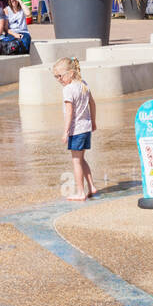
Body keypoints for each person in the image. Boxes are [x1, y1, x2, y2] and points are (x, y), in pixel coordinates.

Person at [53, 57, 97, 201]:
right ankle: (91, 187)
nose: (58, 79)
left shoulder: (68, 89)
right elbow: (93, 104)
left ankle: (80, 192)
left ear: (70, 73)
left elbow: (70, 112)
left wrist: (65, 131)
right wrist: (93, 122)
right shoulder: (83, 85)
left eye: (60, 76)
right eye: (56, 77)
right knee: (82, 159)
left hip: (76, 130)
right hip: (86, 128)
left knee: (76, 161)